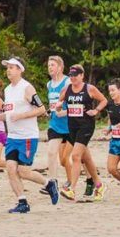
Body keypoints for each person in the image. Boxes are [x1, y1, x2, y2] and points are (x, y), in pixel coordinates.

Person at [0, 57, 60, 214]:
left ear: (20, 70)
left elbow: (41, 109)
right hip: (12, 137)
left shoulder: (27, 88)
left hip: (27, 136)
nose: (9, 70)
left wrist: (21, 116)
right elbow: (9, 113)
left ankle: (49, 183)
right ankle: (22, 202)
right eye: (7, 67)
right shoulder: (7, 90)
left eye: (12, 67)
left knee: (23, 171)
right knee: (11, 169)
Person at [57, 64, 107, 202]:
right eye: (71, 75)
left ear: (81, 75)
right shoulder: (67, 89)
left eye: (75, 75)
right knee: (87, 158)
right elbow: (59, 102)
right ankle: (99, 185)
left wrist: (96, 110)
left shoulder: (89, 88)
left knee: (76, 156)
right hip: (72, 126)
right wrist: (58, 105)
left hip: (86, 126)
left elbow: (104, 100)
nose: (72, 78)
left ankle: (72, 190)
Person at [44, 56, 73, 188]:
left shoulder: (68, 82)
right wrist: (50, 111)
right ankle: (53, 183)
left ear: (60, 68)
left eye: (53, 65)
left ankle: (91, 180)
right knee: (51, 152)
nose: (50, 67)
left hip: (70, 124)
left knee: (78, 158)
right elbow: (53, 104)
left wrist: (65, 112)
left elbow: (76, 104)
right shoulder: (49, 84)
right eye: (49, 65)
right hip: (55, 125)